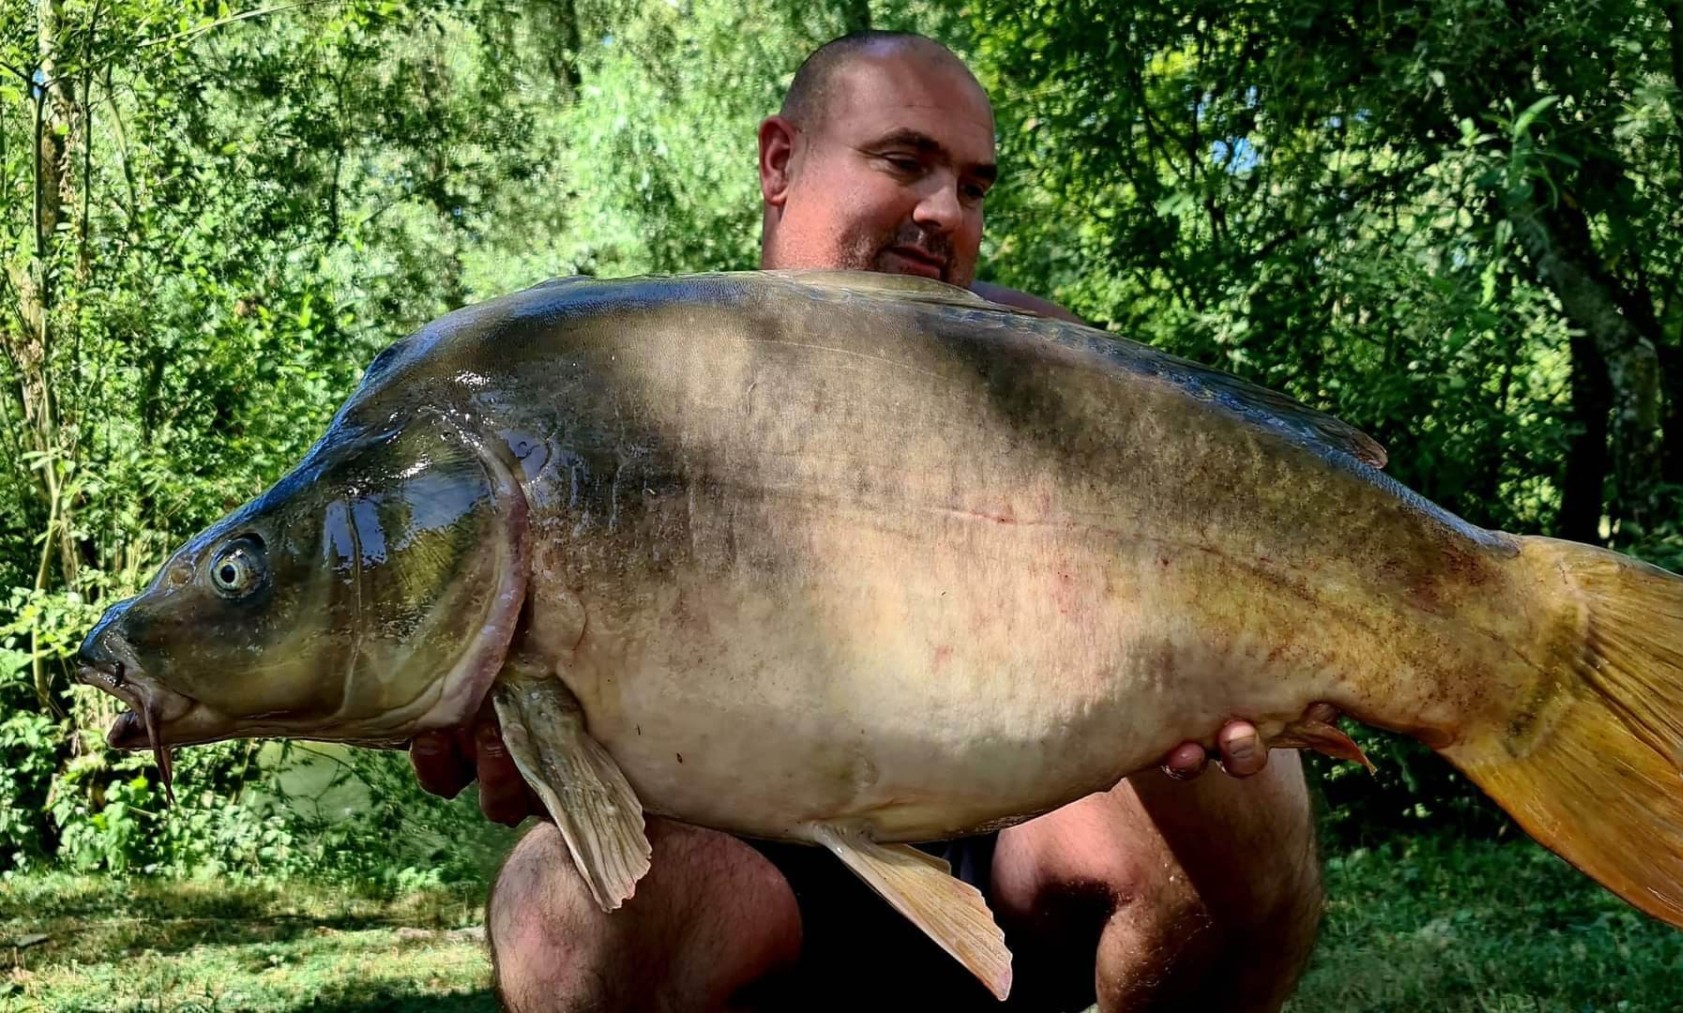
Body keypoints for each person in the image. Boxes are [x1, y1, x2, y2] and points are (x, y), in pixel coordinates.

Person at [408, 30, 1323, 1013]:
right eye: (905, 162)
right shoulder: (636, 386)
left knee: (1249, 789)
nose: (945, 212)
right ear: (778, 161)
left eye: (974, 187)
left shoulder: (1043, 367)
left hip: (1006, 845)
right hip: (733, 860)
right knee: (554, 905)